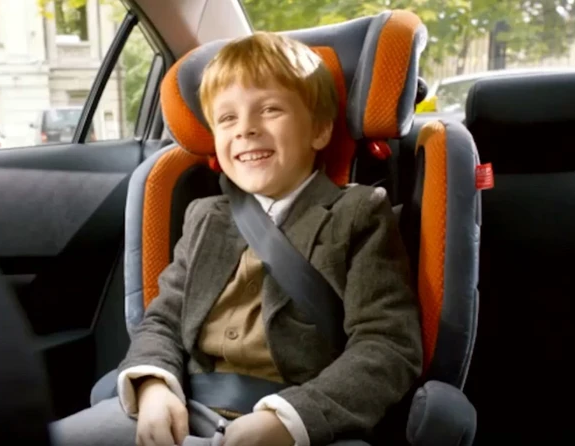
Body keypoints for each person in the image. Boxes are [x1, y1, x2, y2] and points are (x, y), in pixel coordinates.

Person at [50, 31, 422, 446]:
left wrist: (291, 420)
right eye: (227, 118)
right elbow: (163, 320)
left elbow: (387, 344)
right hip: (186, 406)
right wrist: (154, 385)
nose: (245, 129)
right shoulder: (205, 217)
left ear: (319, 130)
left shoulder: (358, 213)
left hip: (302, 420)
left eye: (270, 109)